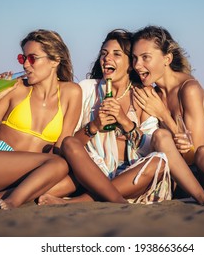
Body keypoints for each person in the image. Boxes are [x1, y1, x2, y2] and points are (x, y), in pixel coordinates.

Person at [38, 29, 171, 205]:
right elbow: (68, 146)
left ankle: (78, 201)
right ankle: (113, 198)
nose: (107, 58)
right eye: (104, 54)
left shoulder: (142, 94)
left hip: (132, 175)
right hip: (93, 170)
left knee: (159, 162)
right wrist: (94, 126)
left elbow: (149, 149)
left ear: (130, 64)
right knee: (70, 143)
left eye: (116, 54)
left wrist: (124, 121)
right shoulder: (87, 89)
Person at [0, 29, 82, 209]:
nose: (25, 65)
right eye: (23, 58)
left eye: (32, 58)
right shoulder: (16, 88)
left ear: (55, 60)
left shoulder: (72, 92)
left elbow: (61, 146)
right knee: (59, 165)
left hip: (25, 175)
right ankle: (13, 200)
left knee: (72, 179)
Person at [132, 25, 204, 204]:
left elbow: (193, 153)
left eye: (145, 58)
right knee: (160, 136)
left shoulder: (189, 89)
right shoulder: (153, 95)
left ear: (166, 59)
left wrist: (163, 114)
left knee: (203, 153)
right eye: (134, 58)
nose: (137, 65)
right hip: (181, 180)